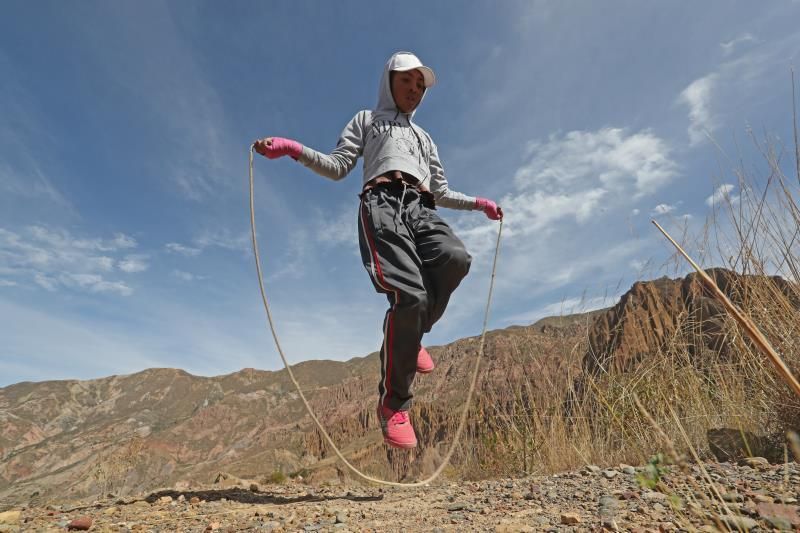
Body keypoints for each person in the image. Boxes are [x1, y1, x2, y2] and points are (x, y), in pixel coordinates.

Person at [254, 51, 502, 449]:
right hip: (382, 205)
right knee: (410, 295)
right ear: (389, 81)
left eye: (420, 85)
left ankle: (412, 336)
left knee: (455, 258)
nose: (415, 90)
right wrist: (292, 149)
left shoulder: (424, 138)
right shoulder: (367, 120)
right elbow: (338, 166)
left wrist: (479, 204)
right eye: (407, 80)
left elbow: (440, 191)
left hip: (421, 206)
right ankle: (393, 404)